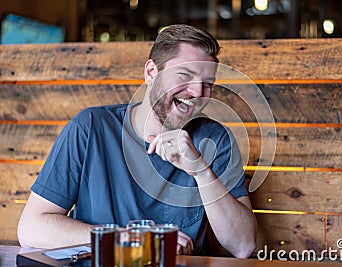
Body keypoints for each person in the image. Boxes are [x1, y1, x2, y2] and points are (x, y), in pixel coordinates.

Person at [17, 24, 257, 258]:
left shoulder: (215, 139)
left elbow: (243, 246)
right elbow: (32, 228)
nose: (197, 92)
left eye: (208, 83)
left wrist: (201, 172)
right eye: (185, 75)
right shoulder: (91, 127)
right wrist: (131, 240)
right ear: (151, 72)